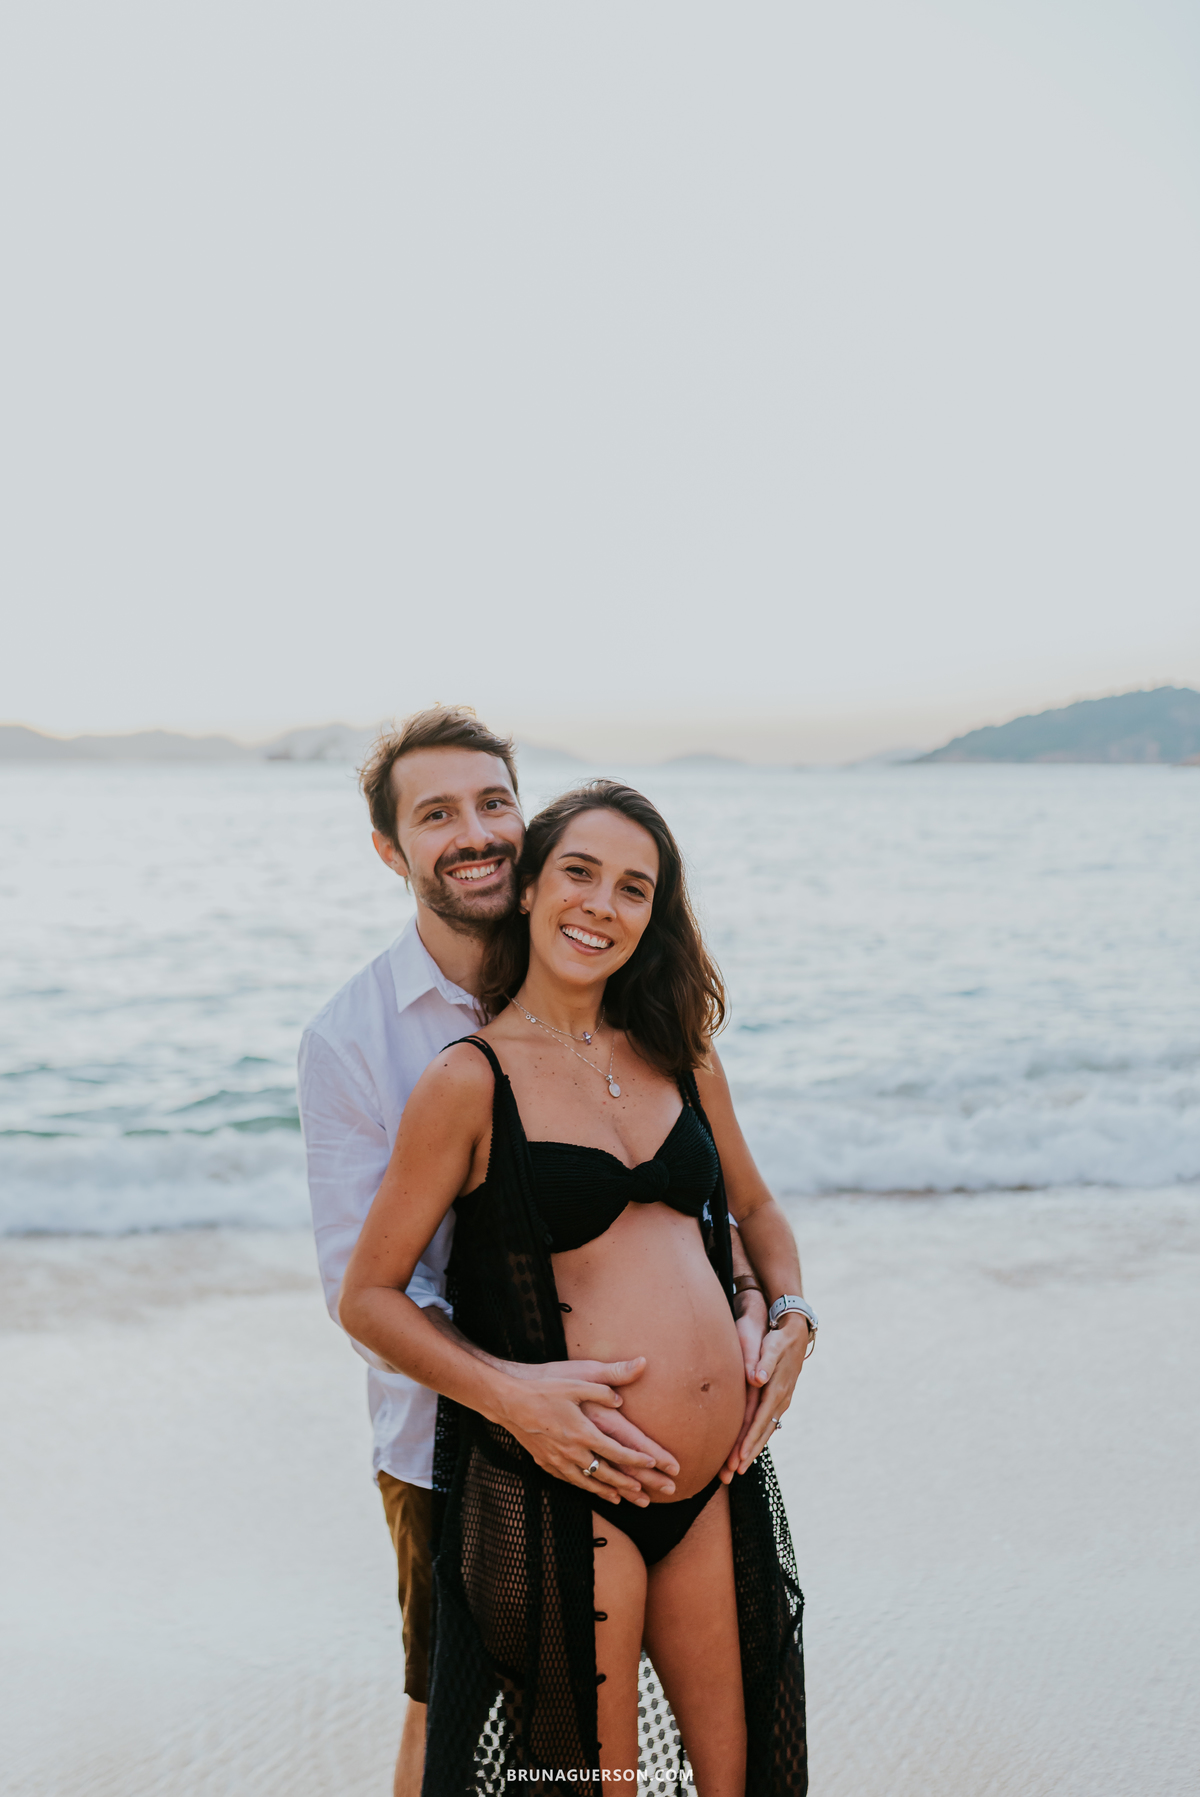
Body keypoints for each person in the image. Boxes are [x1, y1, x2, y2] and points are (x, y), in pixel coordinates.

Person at [299, 711, 770, 1797]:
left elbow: (720, 1210)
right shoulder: (370, 1042)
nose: (473, 832)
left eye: (493, 803)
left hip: (697, 1485)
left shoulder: (640, 1032)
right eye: (436, 814)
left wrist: (769, 1308)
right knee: (449, 1724)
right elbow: (364, 1292)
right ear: (391, 849)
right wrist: (517, 1401)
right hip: (460, 1449)